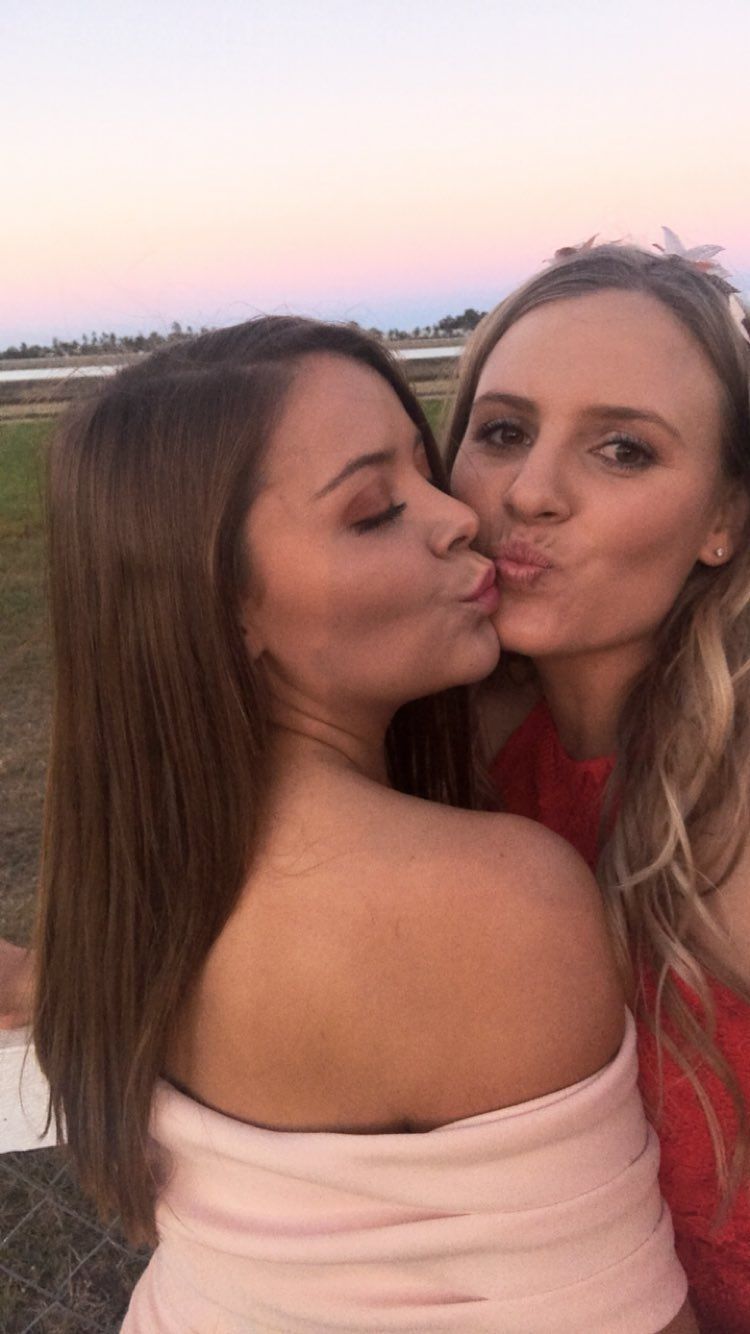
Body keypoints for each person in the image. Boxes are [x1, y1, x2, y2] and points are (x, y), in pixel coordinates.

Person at [29, 316, 693, 1331]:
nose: (464, 516)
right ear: (223, 607)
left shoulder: (130, 888)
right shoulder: (488, 902)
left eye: (428, 469)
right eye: (375, 512)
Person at [448, 239, 750, 1333]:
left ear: (723, 520)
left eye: (623, 449)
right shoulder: (461, 762)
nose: (530, 492)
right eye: (503, 431)